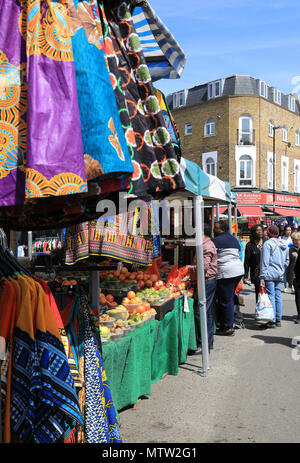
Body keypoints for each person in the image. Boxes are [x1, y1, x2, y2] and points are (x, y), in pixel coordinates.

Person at [188, 224, 218, 353]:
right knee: (208, 312)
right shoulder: (206, 244)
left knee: (199, 312)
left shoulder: (206, 246)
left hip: (206, 282)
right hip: (208, 281)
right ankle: (207, 342)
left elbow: (203, 267)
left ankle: (202, 344)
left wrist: (189, 268)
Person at [213, 221, 245, 336]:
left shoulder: (216, 241)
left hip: (227, 272)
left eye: (216, 228)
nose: (214, 230)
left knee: (225, 300)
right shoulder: (233, 239)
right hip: (237, 271)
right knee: (229, 298)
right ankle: (228, 323)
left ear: (221, 229)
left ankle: (227, 328)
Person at [260, 225, 289, 328]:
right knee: (278, 296)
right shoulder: (284, 244)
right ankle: (278, 319)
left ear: (268, 233)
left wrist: (262, 277)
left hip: (269, 274)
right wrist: (281, 269)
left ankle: (272, 320)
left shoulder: (267, 244)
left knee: (271, 296)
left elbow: (264, 262)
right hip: (280, 274)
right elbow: (287, 261)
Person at [244, 224, 267, 302]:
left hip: (268, 272)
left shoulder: (267, 243)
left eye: (261, 230)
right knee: (258, 292)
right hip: (256, 273)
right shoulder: (249, 245)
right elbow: (247, 261)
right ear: (253, 233)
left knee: (268, 293)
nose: (260, 232)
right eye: (258, 230)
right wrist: (246, 276)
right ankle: (259, 309)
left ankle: (268, 310)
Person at [289, 232, 300, 323]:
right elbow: (288, 264)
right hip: (296, 276)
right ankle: (299, 315)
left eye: (296, 240)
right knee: (298, 296)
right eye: (293, 240)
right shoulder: (291, 249)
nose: (294, 242)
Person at [281, 225, 293, 292]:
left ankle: (292, 286)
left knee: (291, 272)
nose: (289, 232)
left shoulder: (292, 238)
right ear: (285, 231)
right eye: (287, 230)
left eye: (290, 230)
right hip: (284, 257)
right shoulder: (282, 238)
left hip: (291, 257)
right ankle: (286, 286)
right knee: (285, 272)